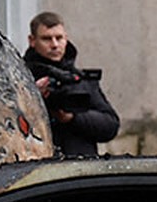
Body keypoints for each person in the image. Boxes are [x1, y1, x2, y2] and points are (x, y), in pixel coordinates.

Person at [23, 10, 119, 158]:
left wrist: (72, 118)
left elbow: (110, 125)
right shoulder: (23, 79)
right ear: (32, 41)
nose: (54, 45)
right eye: (47, 39)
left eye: (59, 38)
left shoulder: (78, 79)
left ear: (66, 39)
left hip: (79, 169)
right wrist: (33, 99)